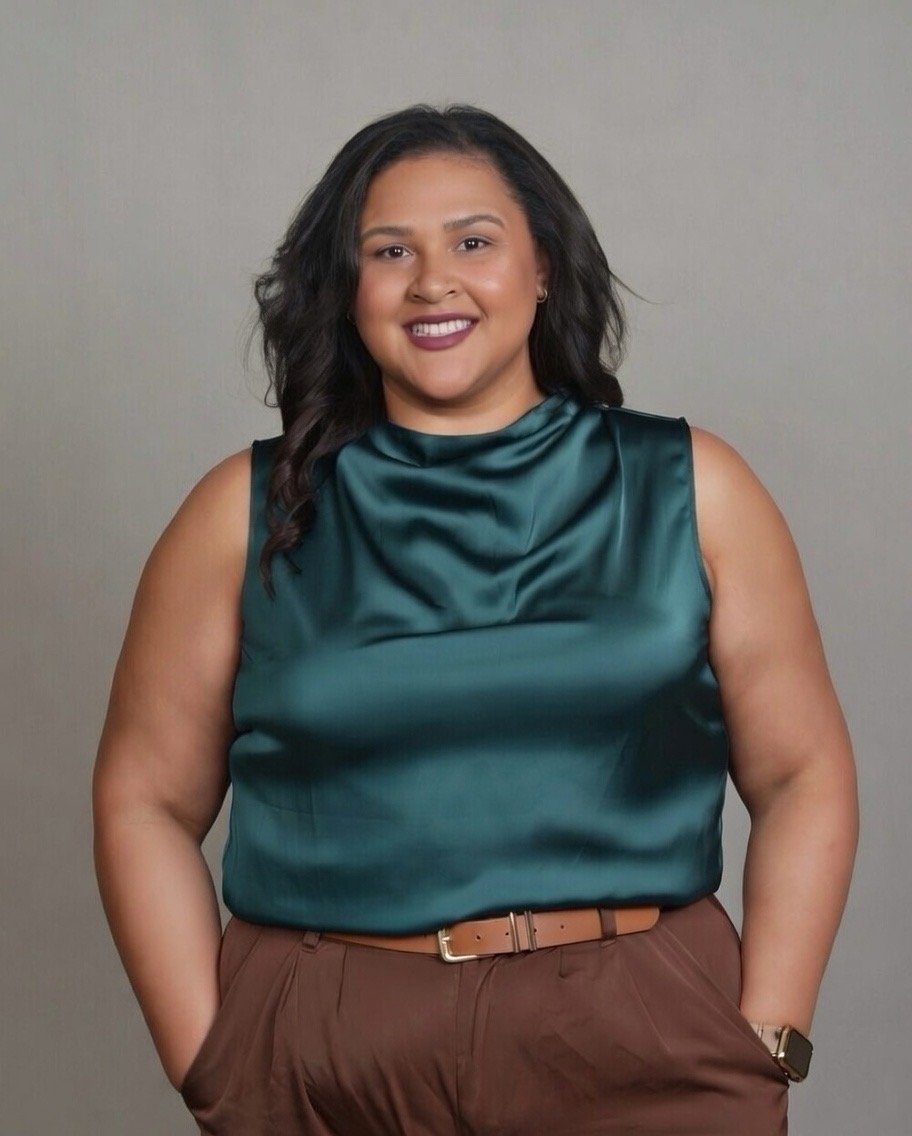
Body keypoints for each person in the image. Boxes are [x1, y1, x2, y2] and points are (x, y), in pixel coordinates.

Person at [92, 103, 859, 1135]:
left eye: (473, 240)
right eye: (389, 250)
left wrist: (769, 1037)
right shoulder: (245, 514)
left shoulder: (693, 488)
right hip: (328, 1049)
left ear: (543, 266)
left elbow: (803, 771)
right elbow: (141, 795)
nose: (431, 280)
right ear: (347, 288)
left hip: (643, 1033)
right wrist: (217, 1061)